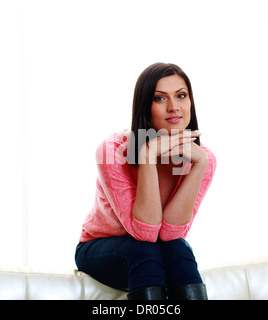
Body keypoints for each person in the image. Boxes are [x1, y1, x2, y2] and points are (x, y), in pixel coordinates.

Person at [75, 62, 217, 300]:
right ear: (145, 106)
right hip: (100, 248)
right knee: (143, 250)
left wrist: (200, 165)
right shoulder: (113, 151)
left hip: (153, 249)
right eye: (160, 99)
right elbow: (145, 233)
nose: (174, 107)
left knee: (179, 249)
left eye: (181, 96)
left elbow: (171, 235)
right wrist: (148, 156)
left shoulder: (201, 159)